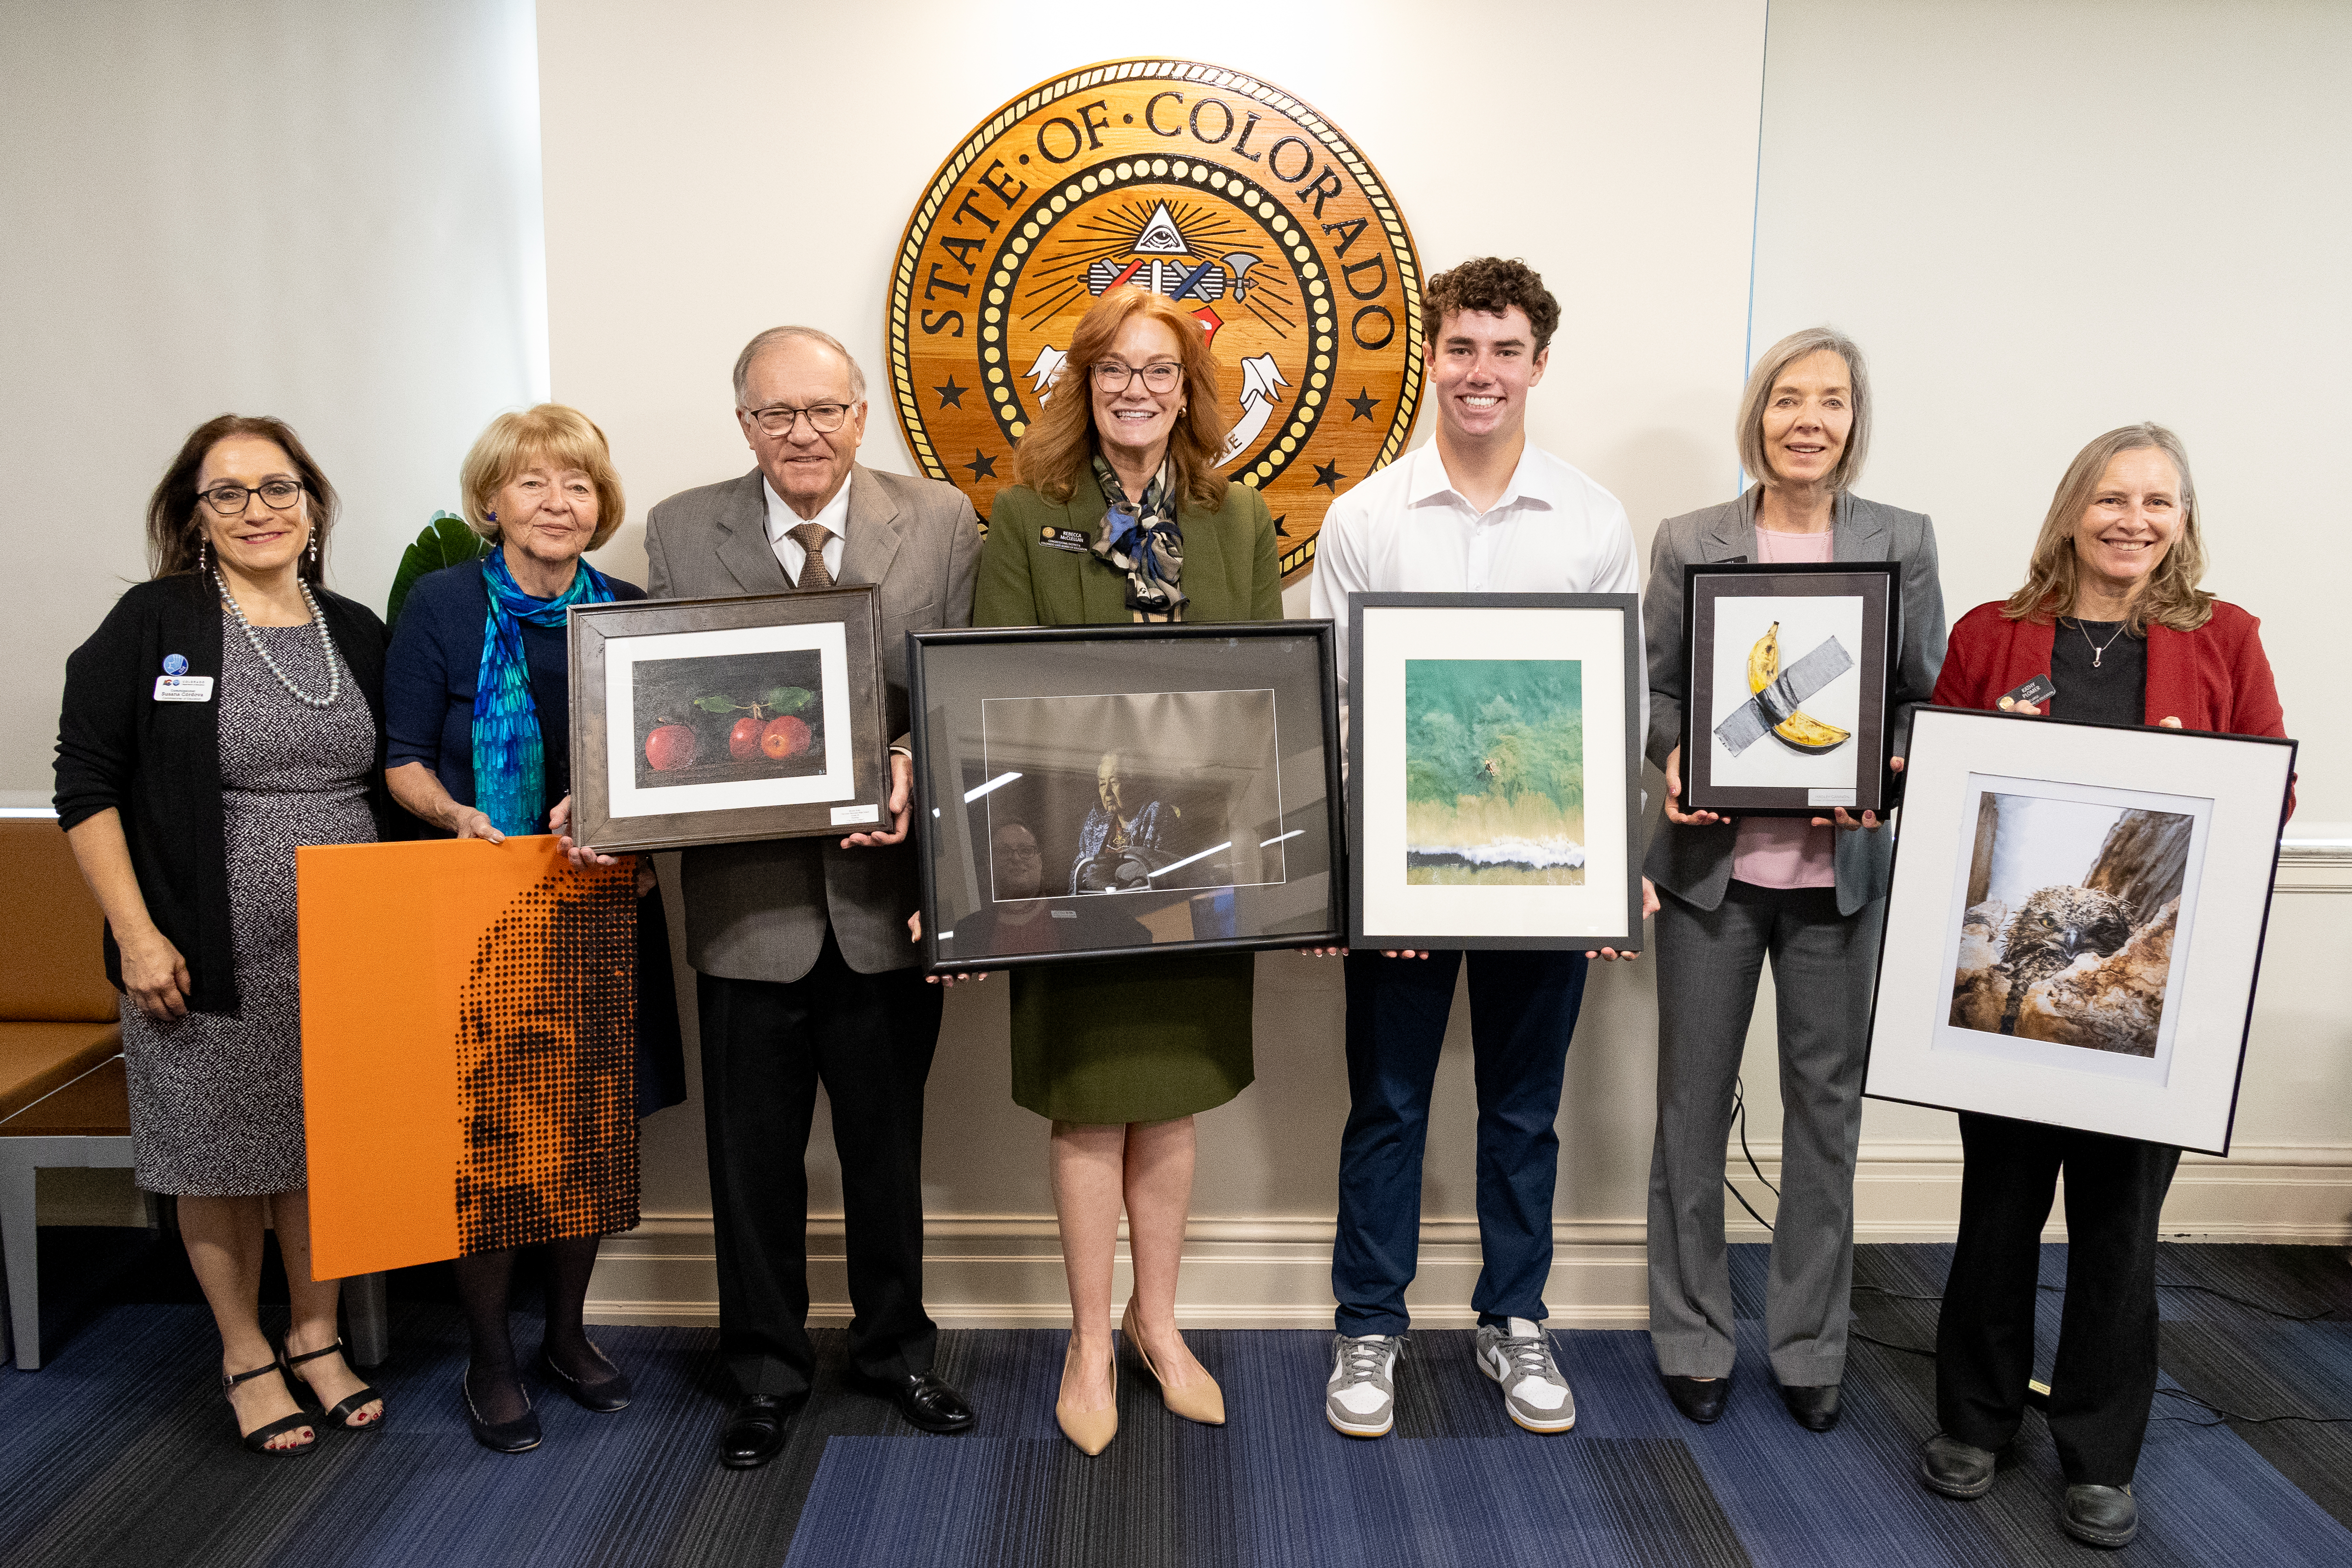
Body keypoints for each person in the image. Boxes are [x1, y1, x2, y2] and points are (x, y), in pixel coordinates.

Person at [1916, 423, 2288, 1551]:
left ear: (2183, 520)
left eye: (2159, 503)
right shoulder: (1993, 635)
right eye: (2113, 498)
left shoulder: (2226, 639)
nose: (2134, 520)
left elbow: (2269, 786)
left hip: (2153, 1020)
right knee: (2000, 1208)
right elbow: (1941, 790)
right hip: (2007, 1008)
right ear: (2073, 507)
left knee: (2121, 1227)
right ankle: (1976, 1421)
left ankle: (2098, 1452)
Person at [1308, 257, 1649, 1441]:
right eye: (1461, 348)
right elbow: (1336, 714)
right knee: (1389, 1105)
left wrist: (1611, 872)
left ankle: (1516, 1319)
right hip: (1400, 876)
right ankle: (1369, 1326)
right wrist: (1354, 877)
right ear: (1432, 359)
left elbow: (1620, 715)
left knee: (1522, 1110)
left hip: (1548, 874)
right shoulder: (1363, 520)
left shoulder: (1594, 520)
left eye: (1505, 351)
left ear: (1538, 365)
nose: (1481, 372)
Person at [639, 325, 982, 1467]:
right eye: (777, 414)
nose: (805, 434)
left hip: (885, 899)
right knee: (752, 1166)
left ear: (861, 415)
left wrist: (910, 763)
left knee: (889, 1154)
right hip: (747, 911)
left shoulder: (938, 520)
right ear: (744, 422)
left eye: (826, 411)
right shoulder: (685, 527)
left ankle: (895, 1352)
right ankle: (766, 1373)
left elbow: (965, 689)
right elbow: (662, 710)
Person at [976, 285, 1280, 1455]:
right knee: (1088, 1104)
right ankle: (1089, 1340)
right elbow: (994, 702)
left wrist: (1273, 866)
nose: (1136, 389)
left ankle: (1161, 1326)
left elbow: (1262, 700)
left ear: (1191, 389)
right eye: (1113, 370)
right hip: (1072, 865)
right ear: (1084, 386)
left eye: (1158, 370)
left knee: (1172, 1101)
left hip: (1199, 866)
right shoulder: (1025, 516)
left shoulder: (1239, 520)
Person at [54, 416, 393, 1455]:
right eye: (230, 493)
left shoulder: (355, 626)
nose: (259, 511)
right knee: (218, 1153)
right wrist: (137, 932)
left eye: (278, 488)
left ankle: (319, 1334)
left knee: (326, 1149)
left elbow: (401, 778)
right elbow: (87, 784)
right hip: (199, 946)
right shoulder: (152, 621)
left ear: (314, 503)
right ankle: (247, 1350)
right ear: (194, 515)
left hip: (347, 943)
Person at [1642, 328, 1947, 1434]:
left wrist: (1893, 766)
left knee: (1828, 1118)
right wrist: (1675, 755)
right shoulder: (1691, 539)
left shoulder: (1901, 542)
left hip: (1838, 882)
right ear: (1757, 416)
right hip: (1711, 880)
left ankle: (1812, 1344)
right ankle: (1691, 1334)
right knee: (1691, 1112)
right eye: (1786, 399)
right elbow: (1655, 691)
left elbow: (1920, 699)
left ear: (1855, 421)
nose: (1807, 419)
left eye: (1830, 400)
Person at [382, 404, 687, 1453]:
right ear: (493, 501)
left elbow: (673, 762)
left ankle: (567, 1334)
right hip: (480, 907)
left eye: (578, 486)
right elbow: (402, 753)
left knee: (591, 1130)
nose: (559, 503)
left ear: (600, 507)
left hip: (605, 908)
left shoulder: (633, 611)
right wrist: (459, 816)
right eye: (534, 484)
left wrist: (624, 820)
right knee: (494, 1135)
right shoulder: (442, 602)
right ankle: (492, 1355)